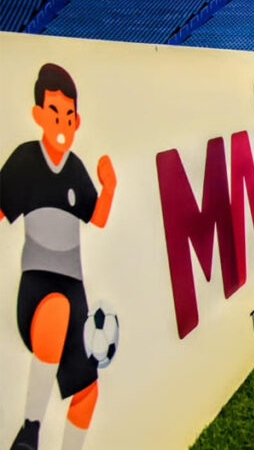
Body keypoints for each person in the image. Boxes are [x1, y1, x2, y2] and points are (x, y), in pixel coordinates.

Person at [2, 63, 116, 450]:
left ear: (77, 120)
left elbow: (96, 217)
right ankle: (30, 430)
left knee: (87, 393)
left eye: (69, 115)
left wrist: (110, 185)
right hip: (38, 286)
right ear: (39, 116)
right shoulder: (25, 161)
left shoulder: (75, 170)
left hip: (75, 288)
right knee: (56, 314)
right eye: (55, 114)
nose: (63, 123)